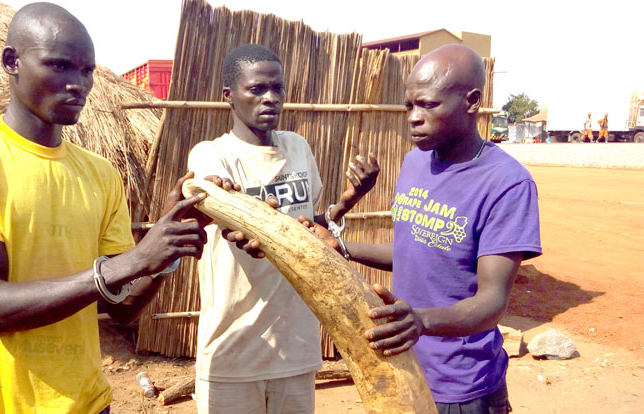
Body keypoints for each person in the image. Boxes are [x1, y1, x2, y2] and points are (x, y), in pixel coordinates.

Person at [0, 3, 210, 413]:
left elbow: (121, 308)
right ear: (10, 61)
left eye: (86, 71)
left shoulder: (100, 174)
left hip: (89, 404)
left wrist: (164, 252)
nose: (78, 84)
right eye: (59, 66)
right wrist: (135, 258)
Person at [304, 44, 541, 414]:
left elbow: (492, 302)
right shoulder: (415, 162)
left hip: (463, 388)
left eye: (428, 105)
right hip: (405, 369)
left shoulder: (507, 183)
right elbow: (411, 249)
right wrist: (342, 247)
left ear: (472, 101)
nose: (413, 117)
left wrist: (421, 321)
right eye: (409, 106)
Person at [185, 43, 379, 414]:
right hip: (232, 350)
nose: (270, 98)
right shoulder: (212, 155)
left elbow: (311, 224)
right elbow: (224, 207)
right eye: (257, 89)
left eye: (278, 89)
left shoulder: (298, 147)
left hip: (295, 346)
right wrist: (239, 222)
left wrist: (350, 199)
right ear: (229, 95)